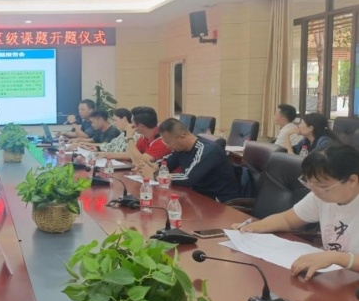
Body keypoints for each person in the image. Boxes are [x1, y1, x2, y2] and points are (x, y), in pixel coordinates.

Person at [232, 144, 359, 280]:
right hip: (335, 277)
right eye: (310, 184)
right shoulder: (320, 196)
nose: (315, 191)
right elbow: (287, 220)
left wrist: (337, 257)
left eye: (323, 186)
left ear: (352, 181)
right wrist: (251, 228)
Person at [139, 118, 240, 202]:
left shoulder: (207, 150)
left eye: (168, 142)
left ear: (182, 137)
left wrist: (155, 176)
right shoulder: (181, 149)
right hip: (197, 196)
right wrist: (148, 167)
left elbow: (188, 178)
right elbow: (166, 164)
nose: (168, 147)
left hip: (219, 202)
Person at [105, 106, 171, 163]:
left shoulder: (162, 141)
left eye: (132, 122)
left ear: (140, 126)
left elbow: (140, 162)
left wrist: (129, 137)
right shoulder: (144, 138)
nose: (131, 125)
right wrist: (105, 154)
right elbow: (132, 155)